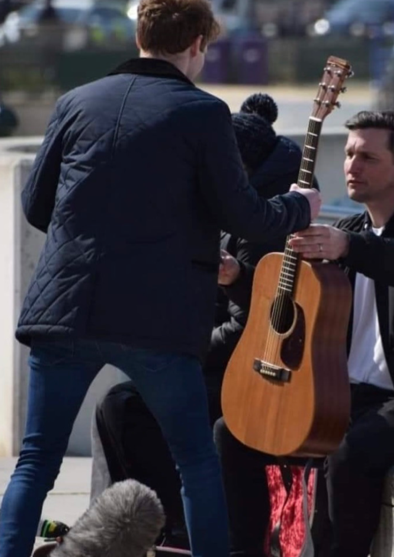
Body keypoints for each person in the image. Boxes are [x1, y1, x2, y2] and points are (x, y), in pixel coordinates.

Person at [0, 0, 320, 557]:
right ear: (196, 45)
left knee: (37, 461)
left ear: (139, 35)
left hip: (66, 309)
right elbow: (245, 214)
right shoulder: (203, 112)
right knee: (195, 461)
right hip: (158, 319)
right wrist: (300, 207)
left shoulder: (75, 101)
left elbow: (37, 207)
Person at [214, 110, 394, 557]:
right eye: (348, 154)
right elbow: (291, 302)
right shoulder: (351, 231)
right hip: (343, 398)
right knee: (235, 433)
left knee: (346, 451)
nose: (351, 166)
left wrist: (349, 247)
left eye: (367, 157)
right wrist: (236, 277)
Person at [91, 92, 309, 548]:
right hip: (213, 359)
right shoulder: (227, 207)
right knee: (120, 403)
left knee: (126, 408)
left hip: (248, 372)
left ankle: (169, 529)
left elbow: (251, 324)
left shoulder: (262, 222)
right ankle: (130, 527)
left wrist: (184, 351)